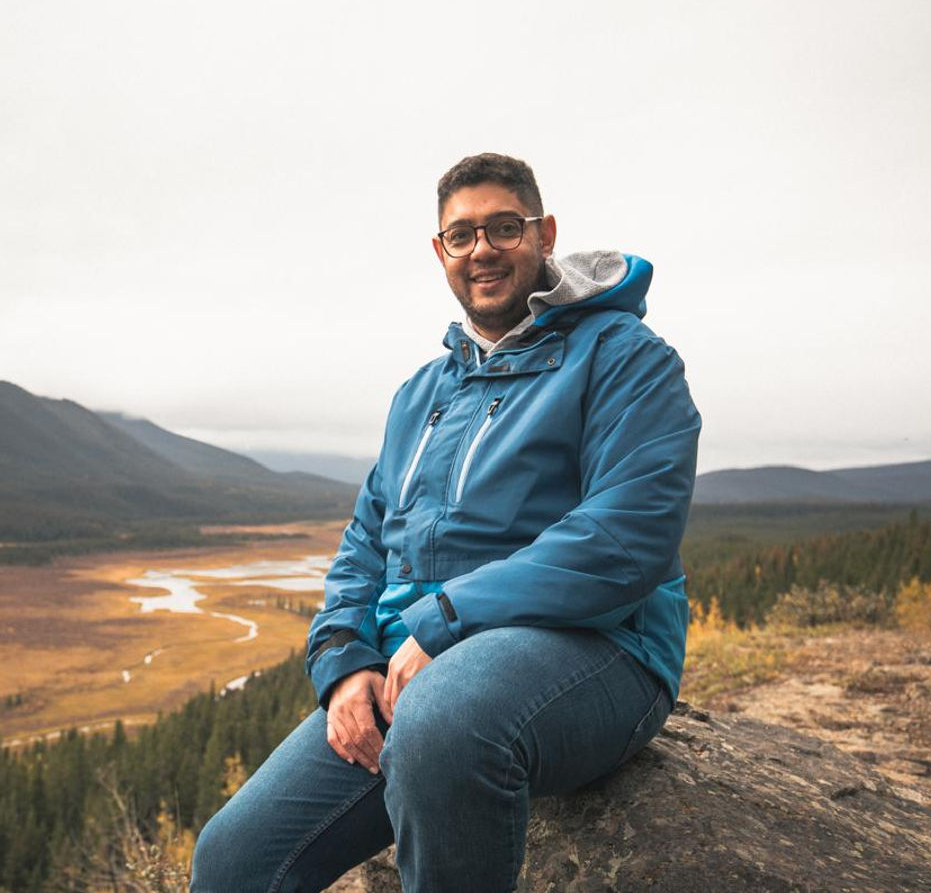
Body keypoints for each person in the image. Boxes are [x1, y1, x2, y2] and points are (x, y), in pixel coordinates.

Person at [191, 153, 700, 893]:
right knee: (233, 858)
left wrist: (446, 620)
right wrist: (341, 660)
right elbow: (368, 538)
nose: (482, 249)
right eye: (461, 236)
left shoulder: (626, 360)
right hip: (419, 664)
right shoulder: (422, 393)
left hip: (600, 649)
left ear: (545, 233)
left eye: (503, 227)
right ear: (441, 253)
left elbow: (627, 537)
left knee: (446, 724)